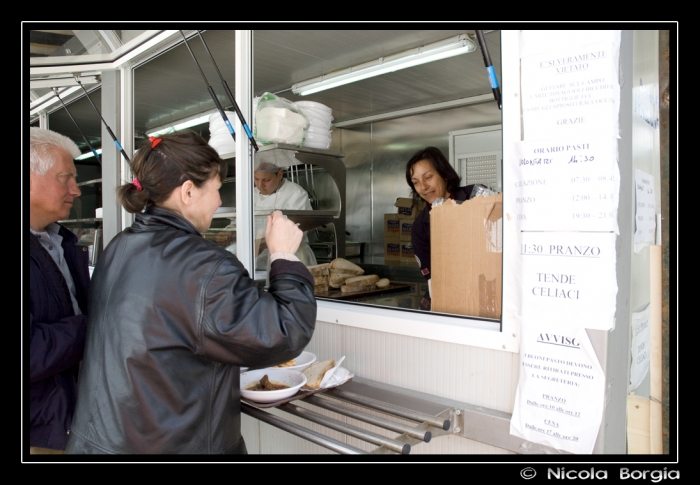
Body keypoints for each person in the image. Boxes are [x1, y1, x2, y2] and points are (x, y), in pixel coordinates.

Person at [66, 131, 317, 454]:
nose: (219, 201)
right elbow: (282, 331)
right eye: (214, 189)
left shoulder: (119, 247)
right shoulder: (205, 266)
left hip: (101, 442)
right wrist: (283, 255)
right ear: (187, 192)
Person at [29, 127, 90, 454]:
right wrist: (94, 325)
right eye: (65, 178)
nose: (76, 190)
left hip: (70, 417)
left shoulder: (60, 242)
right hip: (38, 433)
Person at [405, 147, 484, 311]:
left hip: (489, 288)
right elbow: (433, 277)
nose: (423, 187)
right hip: (454, 301)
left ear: (444, 174)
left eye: (428, 177)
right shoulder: (420, 227)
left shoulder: (477, 196)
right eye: (416, 182)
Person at [253, 160, 317, 268]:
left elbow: (293, 231)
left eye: (266, 180)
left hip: (291, 257)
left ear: (279, 174)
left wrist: (260, 244)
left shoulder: (295, 194)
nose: (260, 185)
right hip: (257, 259)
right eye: (256, 179)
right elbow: (237, 223)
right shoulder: (251, 194)